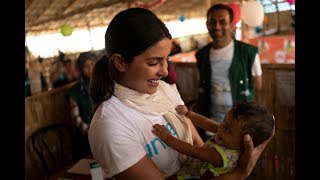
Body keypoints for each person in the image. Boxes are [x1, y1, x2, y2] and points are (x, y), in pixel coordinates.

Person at [88, 7, 273, 180]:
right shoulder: (111, 126)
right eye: (154, 62)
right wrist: (238, 174)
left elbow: (199, 149)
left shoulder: (165, 92)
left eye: (166, 60)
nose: (165, 71)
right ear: (120, 62)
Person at [152, 101, 274, 179]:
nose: (221, 127)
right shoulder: (227, 134)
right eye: (224, 121)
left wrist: (168, 138)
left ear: (244, 144)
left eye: (228, 130)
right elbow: (207, 123)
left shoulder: (219, 155)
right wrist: (188, 113)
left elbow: (192, 150)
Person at [196, 4, 263, 139]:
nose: (217, 26)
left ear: (232, 25)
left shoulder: (248, 52)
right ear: (207, 24)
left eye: (223, 22)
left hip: (240, 125)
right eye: (212, 22)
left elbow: (257, 85)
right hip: (210, 124)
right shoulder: (201, 54)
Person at [66, 52, 97, 158]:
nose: (90, 68)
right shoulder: (74, 92)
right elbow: (76, 118)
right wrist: (92, 131)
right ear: (81, 70)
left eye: (93, 64)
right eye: (86, 66)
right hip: (87, 137)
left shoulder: (106, 85)